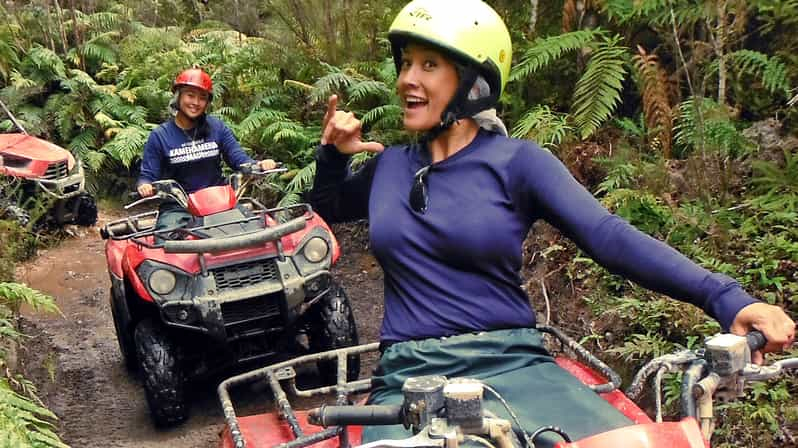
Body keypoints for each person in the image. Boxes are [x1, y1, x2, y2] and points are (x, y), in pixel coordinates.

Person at [309, 0, 796, 446]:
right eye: (407, 63)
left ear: (472, 81)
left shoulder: (518, 163)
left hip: (517, 362)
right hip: (412, 377)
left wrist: (726, 297)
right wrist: (331, 153)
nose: (406, 79)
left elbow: (606, 234)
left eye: (429, 65)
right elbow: (328, 205)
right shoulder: (389, 167)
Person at [137, 67, 276, 229]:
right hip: (179, 207)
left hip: (220, 202)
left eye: (202, 98)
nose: (195, 103)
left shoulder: (217, 128)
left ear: (207, 103)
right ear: (178, 96)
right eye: (190, 95)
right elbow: (147, 175)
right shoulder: (160, 135)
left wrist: (259, 165)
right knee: (167, 245)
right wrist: (145, 185)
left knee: (256, 233)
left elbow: (239, 159)